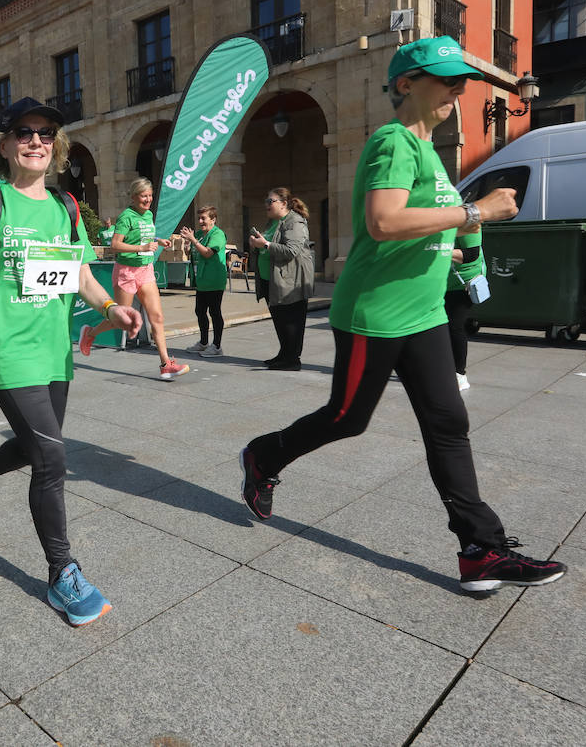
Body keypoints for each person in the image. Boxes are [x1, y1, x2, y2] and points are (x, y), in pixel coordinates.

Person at [239, 36, 567, 593]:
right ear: (406, 84)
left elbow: (430, 231)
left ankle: (481, 551)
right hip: (377, 314)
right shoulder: (393, 142)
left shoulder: (430, 155)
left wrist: (464, 248)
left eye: (461, 82)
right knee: (347, 418)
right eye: (446, 80)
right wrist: (475, 210)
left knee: (448, 425)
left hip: (425, 314)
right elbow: (384, 222)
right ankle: (263, 456)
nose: (457, 90)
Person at [0, 96, 142, 627]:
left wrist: (111, 308)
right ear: (5, 146)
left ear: (56, 145)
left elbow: (82, 274)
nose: (36, 141)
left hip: (54, 350)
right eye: (24, 132)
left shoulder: (66, 207)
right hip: (8, 349)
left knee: (33, 447)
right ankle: (62, 574)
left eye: (46, 133)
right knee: (51, 461)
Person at [80, 177, 188, 379]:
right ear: (133, 197)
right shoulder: (126, 217)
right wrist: (143, 247)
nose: (148, 200)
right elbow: (115, 245)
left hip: (145, 270)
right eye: (143, 196)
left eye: (150, 195)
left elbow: (143, 235)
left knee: (157, 317)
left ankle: (166, 364)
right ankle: (90, 333)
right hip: (126, 272)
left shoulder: (148, 214)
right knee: (122, 320)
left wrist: (158, 240)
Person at [249, 188, 315, 370]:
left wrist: (265, 244)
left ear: (284, 203)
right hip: (271, 280)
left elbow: (291, 251)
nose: (267, 205)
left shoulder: (295, 222)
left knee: (291, 322)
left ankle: (292, 360)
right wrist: (257, 244)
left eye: (270, 201)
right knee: (280, 321)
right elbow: (268, 246)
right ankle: (284, 354)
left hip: (290, 282)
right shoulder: (273, 222)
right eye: (266, 201)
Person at [180, 206, 227, 357]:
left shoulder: (218, 234)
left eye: (203, 218)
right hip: (201, 280)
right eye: (199, 218)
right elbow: (193, 252)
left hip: (214, 280)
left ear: (213, 219)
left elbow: (207, 253)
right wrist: (188, 245)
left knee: (214, 312)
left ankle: (217, 346)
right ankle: (203, 342)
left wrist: (193, 240)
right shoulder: (199, 234)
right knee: (200, 311)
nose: (200, 221)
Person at [445, 227, 484, 391]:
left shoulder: (468, 220)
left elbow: (471, 254)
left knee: (455, 326)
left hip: (463, 283)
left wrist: (439, 250)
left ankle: (459, 374)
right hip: (441, 282)